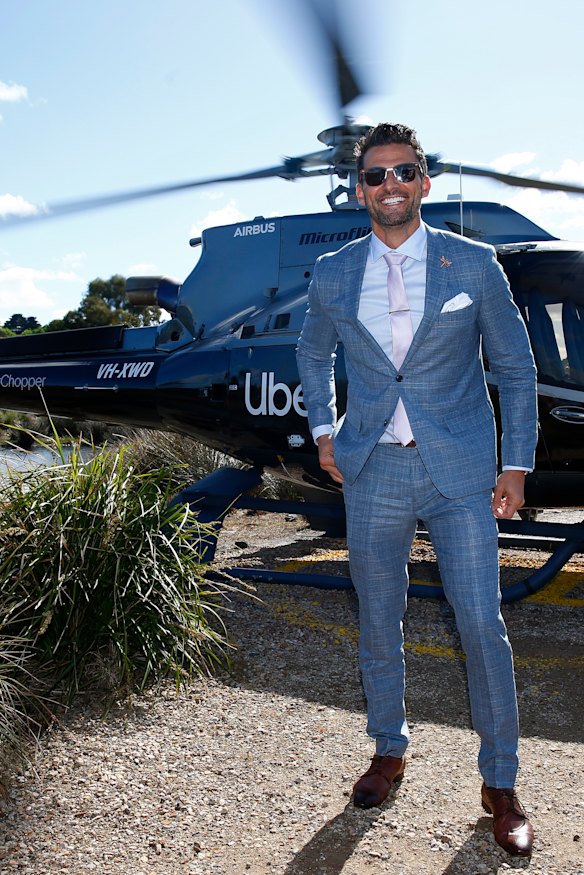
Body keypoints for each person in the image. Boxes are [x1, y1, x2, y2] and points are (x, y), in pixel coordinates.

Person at [296, 122, 537, 857]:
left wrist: (516, 465)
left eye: (404, 172)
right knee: (379, 619)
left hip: (460, 472)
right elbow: (311, 351)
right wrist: (324, 429)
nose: (390, 185)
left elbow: (516, 366)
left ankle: (500, 782)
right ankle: (388, 748)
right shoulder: (335, 272)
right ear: (360, 189)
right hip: (373, 470)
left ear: (424, 182)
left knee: (481, 625)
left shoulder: (474, 263)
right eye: (375, 176)